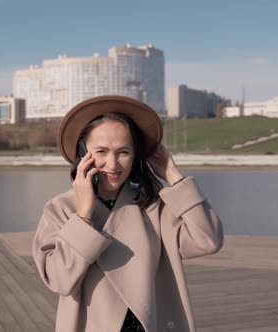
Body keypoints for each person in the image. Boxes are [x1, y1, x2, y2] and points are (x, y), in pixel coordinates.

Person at [32, 95, 224, 332]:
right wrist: (83, 215)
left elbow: (208, 240)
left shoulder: (154, 207)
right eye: (101, 151)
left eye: (123, 152)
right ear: (83, 153)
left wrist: (173, 175)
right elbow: (60, 280)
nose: (112, 165)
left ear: (135, 157)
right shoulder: (60, 209)